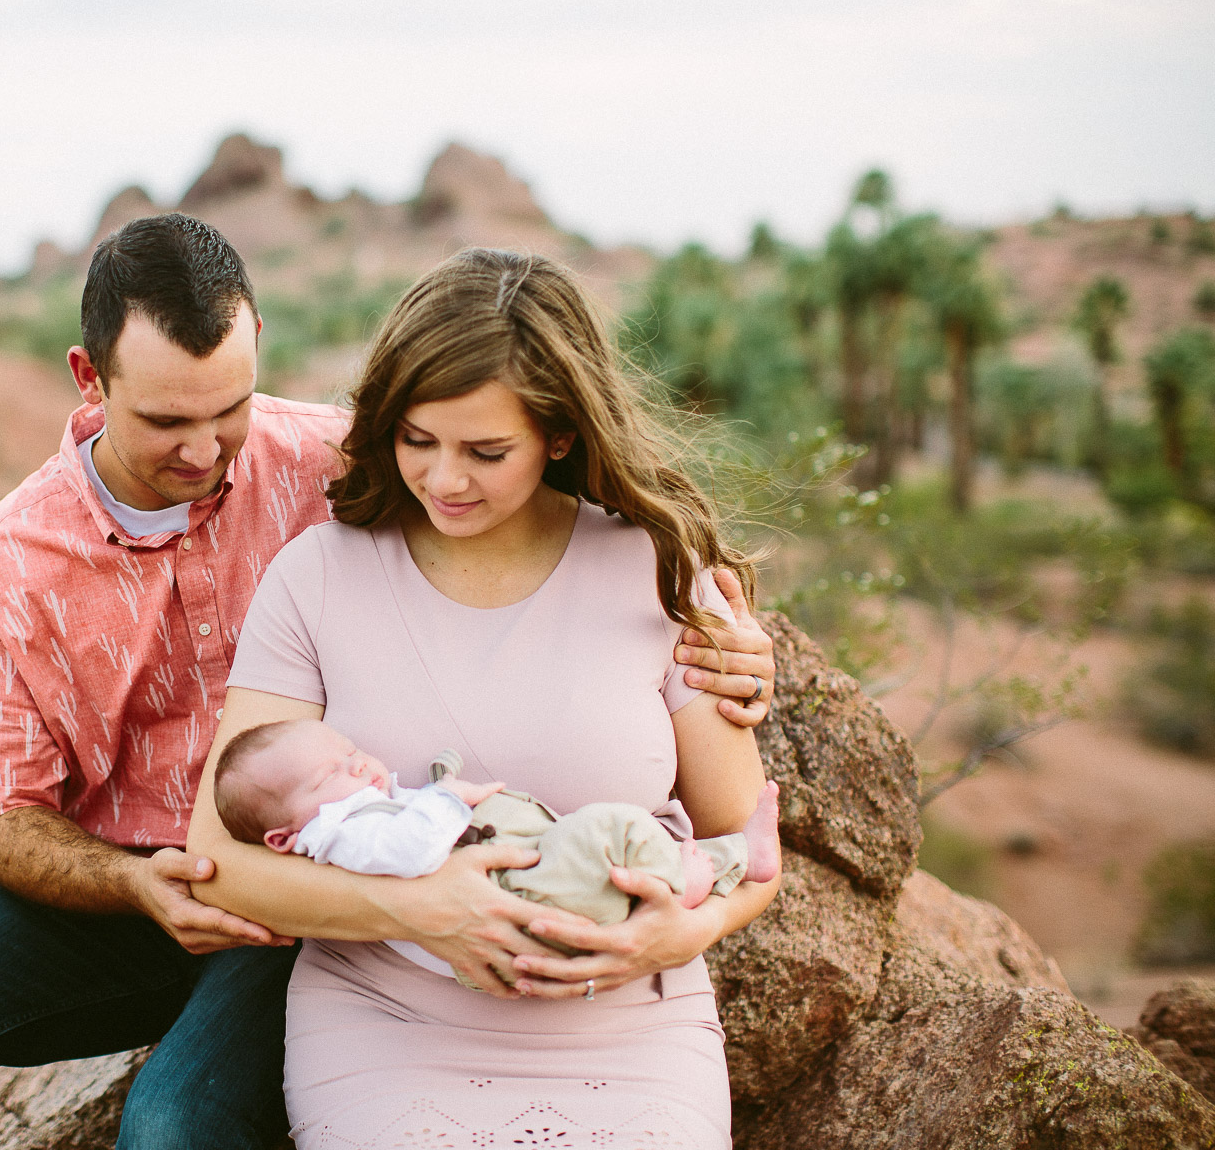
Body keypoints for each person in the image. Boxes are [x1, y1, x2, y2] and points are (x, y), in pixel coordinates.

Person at [0, 217, 780, 1150]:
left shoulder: (343, 455)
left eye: (228, 411)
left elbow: (512, 450)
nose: (203, 450)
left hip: (322, 879)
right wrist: (139, 885)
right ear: (89, 378)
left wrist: (730, 632)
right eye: (165, 421)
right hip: (147, 888)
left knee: (173, 1122)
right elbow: (3, 822)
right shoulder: (5, 569)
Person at [187, 248, 783, 1148]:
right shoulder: (316, 578)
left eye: (485, 450)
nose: (444, 480)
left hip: (630, 1028)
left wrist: (677, 938)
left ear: (561, 434)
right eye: (416, 439)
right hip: (390, 1024)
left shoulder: (659, 573)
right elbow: (218, 862)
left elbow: (747, 845)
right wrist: (417, 911)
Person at [211, 720, 781, 957]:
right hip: (518, 901)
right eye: (329, 775)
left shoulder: (363, 812)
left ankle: (732, 858)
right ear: (285, 839)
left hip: (527, 886)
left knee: (597, 840)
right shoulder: (342, 836)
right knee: (612, 827)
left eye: (353, 754)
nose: (360, 769)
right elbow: (413, 849)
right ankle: (682, 884)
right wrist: (448, 796)